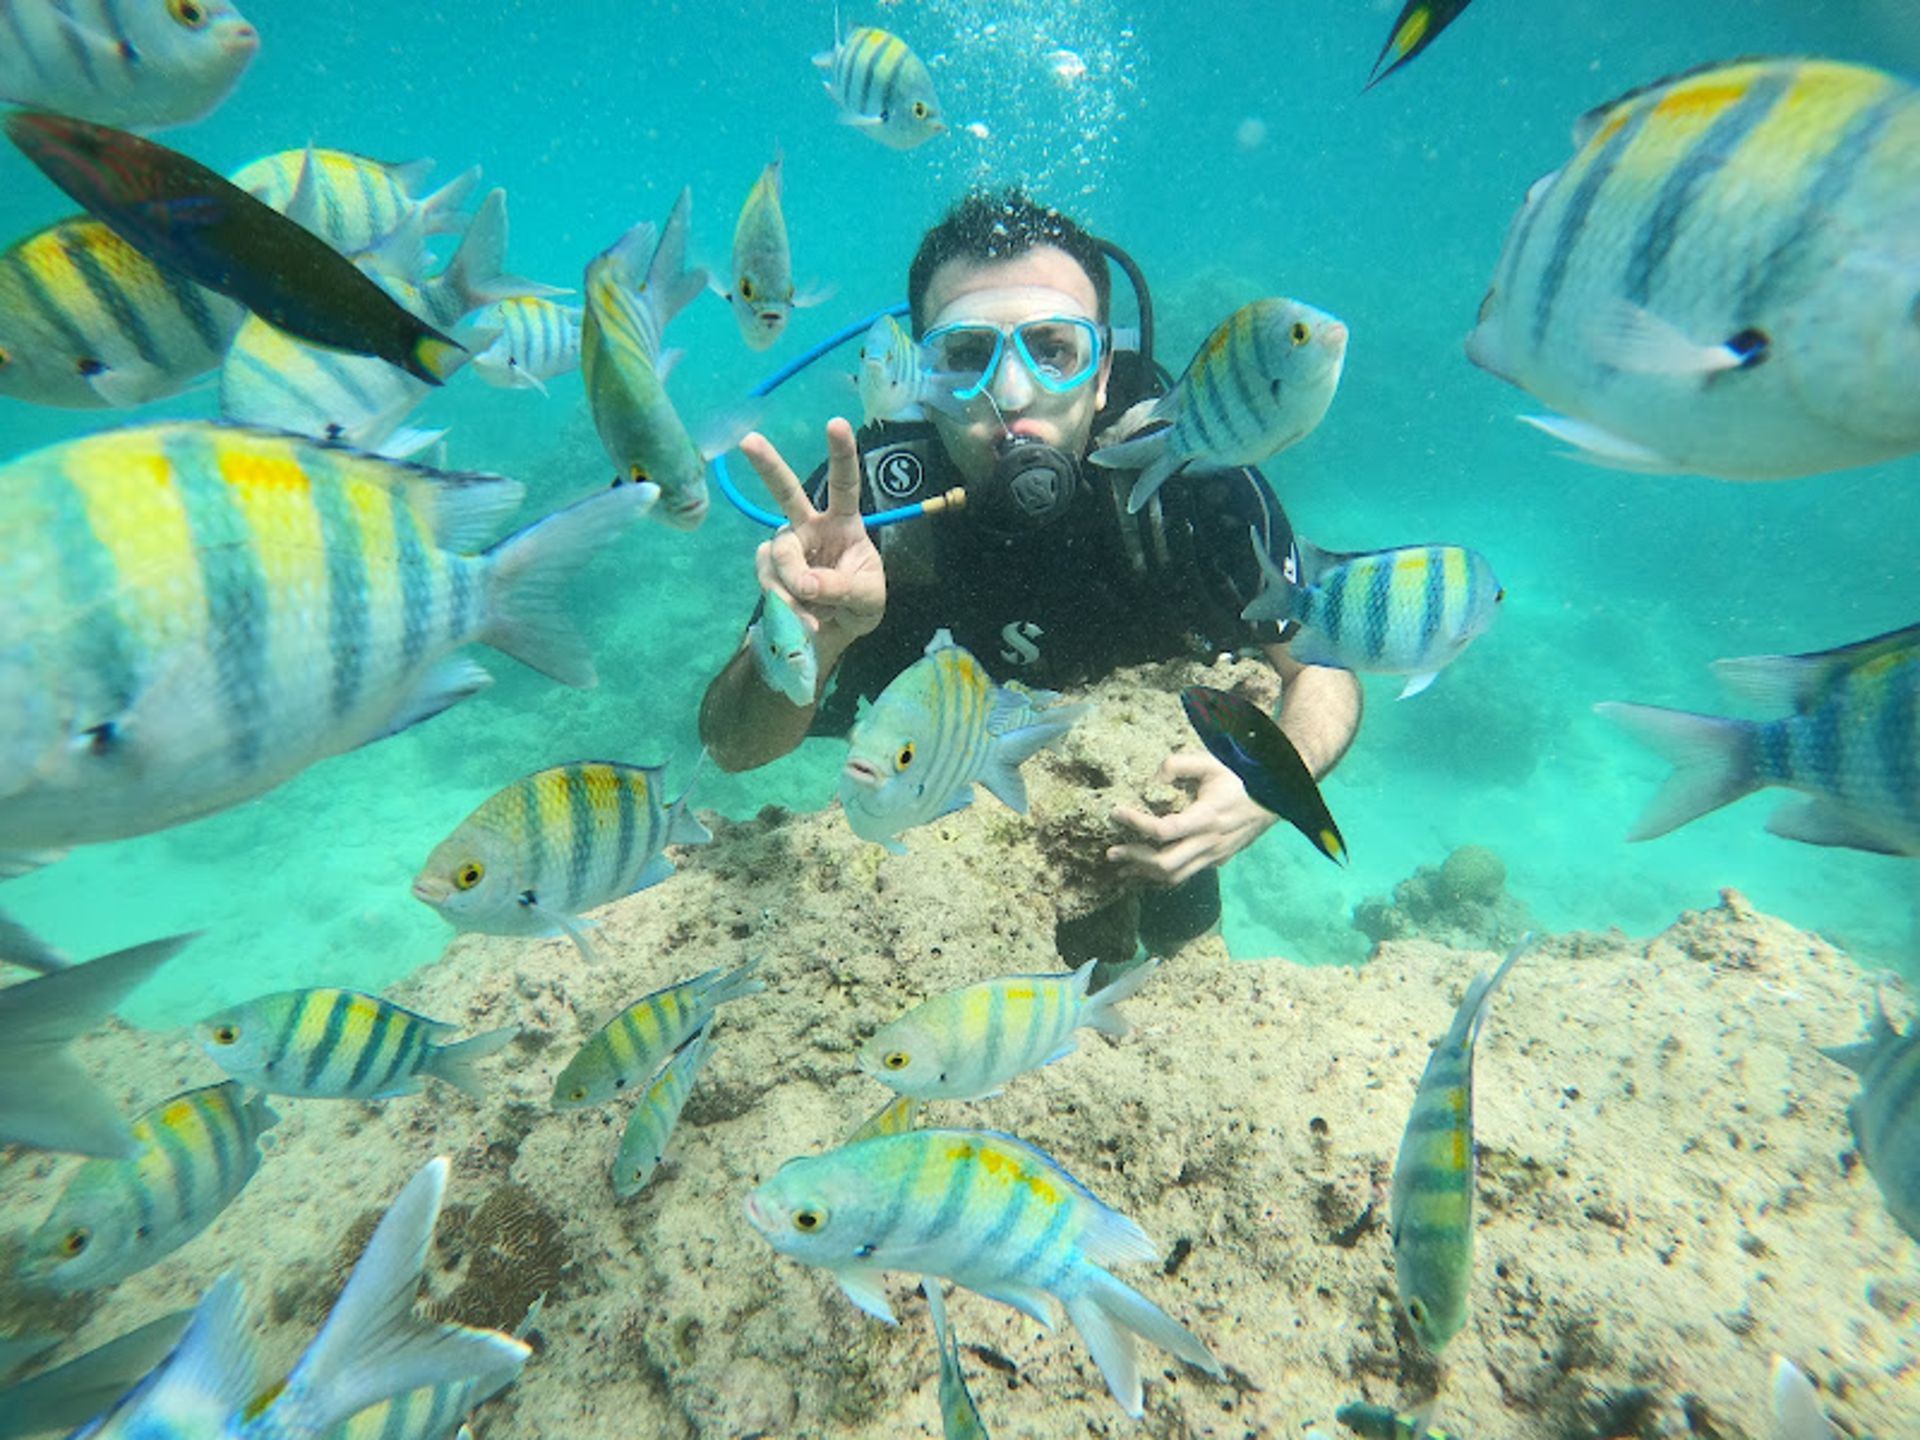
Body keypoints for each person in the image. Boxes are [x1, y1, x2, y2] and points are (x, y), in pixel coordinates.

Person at [698, 189, 1362, 968]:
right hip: (933, 852)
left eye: (1054, 349)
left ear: (1105, 370)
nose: (1012, 396)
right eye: (967, 355)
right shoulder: (866, 506)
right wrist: (811, 641)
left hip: (1137, 825)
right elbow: (733, 746)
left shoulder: (1192, 477)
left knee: (1178, 940)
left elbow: (1323, 667)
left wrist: (1269, 785)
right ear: (918, 372)